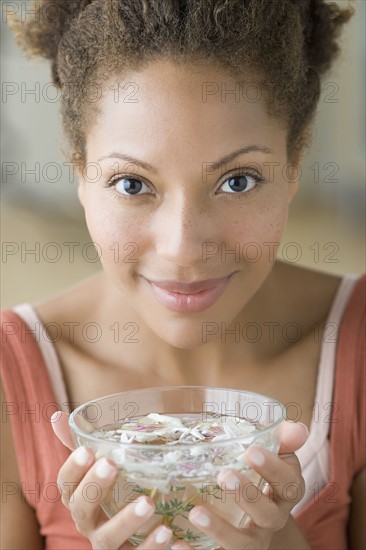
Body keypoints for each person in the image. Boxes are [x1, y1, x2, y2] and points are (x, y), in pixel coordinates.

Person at [1, 0, 364, 549]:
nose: (183, 250)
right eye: (132, 184)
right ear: (80, 170)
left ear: (294, 164)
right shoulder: (10, 376)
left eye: (238, 181)